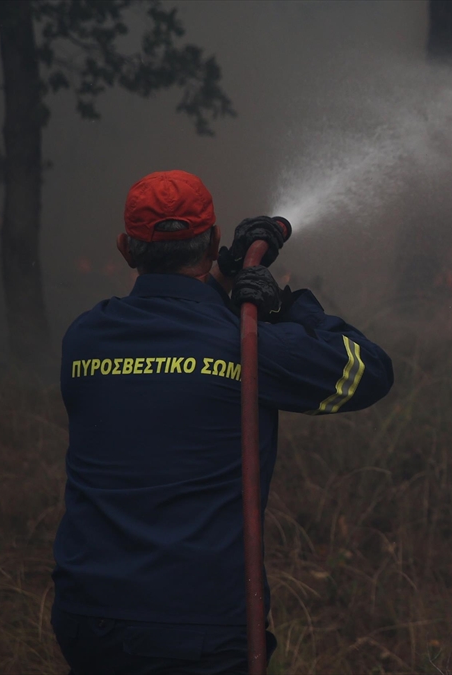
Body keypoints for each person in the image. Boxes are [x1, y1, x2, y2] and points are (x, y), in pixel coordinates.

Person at [50, 170, 393, 674]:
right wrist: (281, 308)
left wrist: (223, 283)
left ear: (125, 249)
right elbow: (370, 372)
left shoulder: (84, 339)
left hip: (87, 618)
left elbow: (174, 333)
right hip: (197, 628)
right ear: (213, 242)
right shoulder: (246, 346)